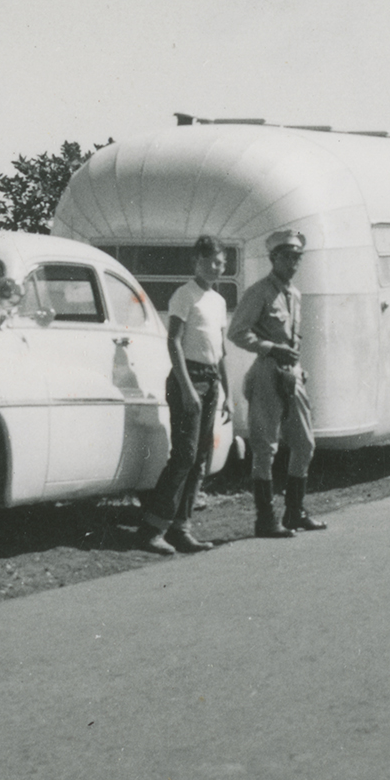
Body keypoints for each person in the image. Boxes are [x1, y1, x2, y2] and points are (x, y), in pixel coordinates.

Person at [228, 229, 327, 536]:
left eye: (297, 257)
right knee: (265, 446)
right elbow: (237, 332)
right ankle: (265, 519)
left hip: (291, 373)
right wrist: (271, 348)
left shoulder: (294, 295)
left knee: (305, 443)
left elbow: (293, 338)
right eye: (286, 257)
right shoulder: (260, 292)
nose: (292, 263)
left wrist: (297, 366)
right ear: (273, 259)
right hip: (267, 372)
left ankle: (295, 512)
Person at [138, 235, 230, 555]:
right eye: (212, 262)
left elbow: (220, 352)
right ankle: (152, 528)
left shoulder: (218, 301)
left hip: (211, 380)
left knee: (200, 458)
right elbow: (173, 342)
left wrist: (227, 393)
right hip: (187, 380)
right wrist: (188, 388)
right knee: (184, 456)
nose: (217, 268)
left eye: (221, 263)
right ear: (197, 262)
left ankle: (181, 528)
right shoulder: (184, 295)